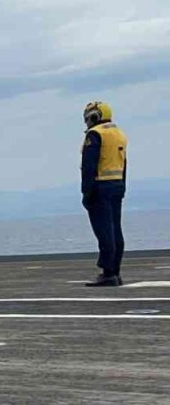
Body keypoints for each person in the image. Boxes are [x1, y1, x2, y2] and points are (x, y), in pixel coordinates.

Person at [80, 100, 128, 287]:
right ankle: (115, 272)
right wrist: (123, 185)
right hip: (117, 186)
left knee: (104, 231)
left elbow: (89, 166)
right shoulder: (119, 134)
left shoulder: (95, 135)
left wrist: (86, 192)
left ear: (94, 116)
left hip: (100, 187)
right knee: (116, 229)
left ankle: (107, 273)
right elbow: (124, 163)